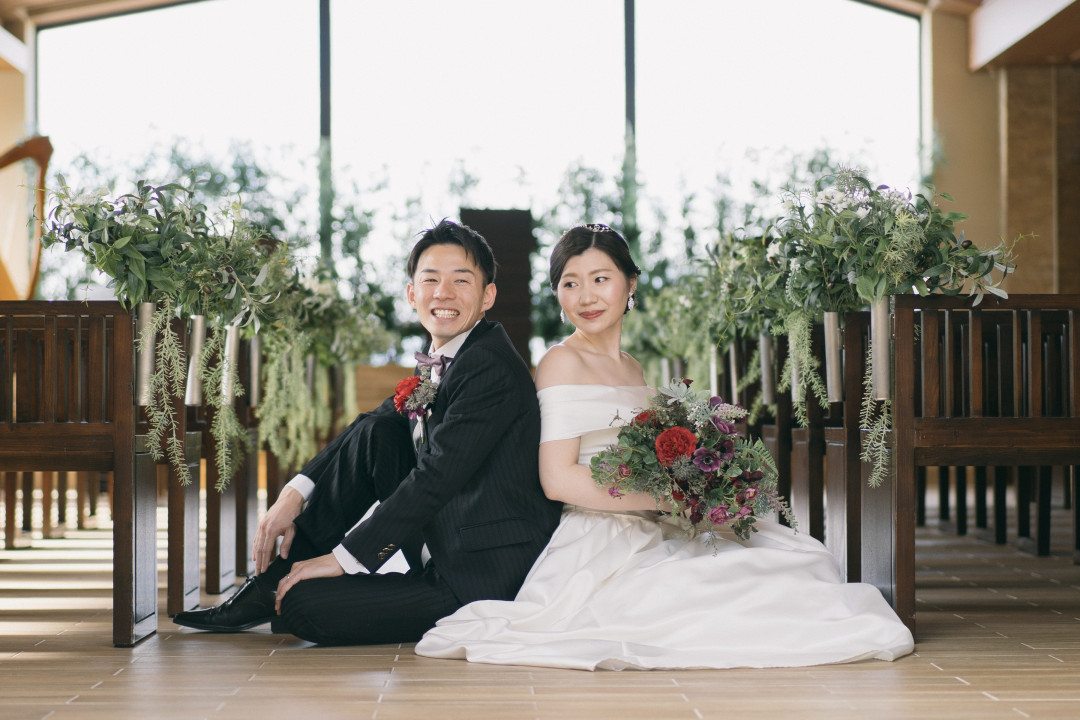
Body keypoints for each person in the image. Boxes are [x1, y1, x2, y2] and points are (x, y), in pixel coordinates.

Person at [415, 223, 915, 670]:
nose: (586, 295)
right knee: (729, 588)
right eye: (570, 283)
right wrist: (667, 499)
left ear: (630, 285)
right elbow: (558, 478)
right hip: (601, 535)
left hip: (657, 518)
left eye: (600, 278)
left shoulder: (632, 367)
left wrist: (698, 486)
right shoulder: (560, 363)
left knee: (790, 558)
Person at [173, 219, 563, 645]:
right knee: (376, 433)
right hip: (447, 538)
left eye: (461, 281)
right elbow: (371, 424)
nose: (443, 293)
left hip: (479, 573)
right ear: (412, 293)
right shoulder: (447, 355)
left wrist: (343, 559)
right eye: (430, 279)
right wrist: (295, 491)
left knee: (304, 606)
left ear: (488, 295)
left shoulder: (489, 365)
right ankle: (269, 586)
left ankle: (280, 588)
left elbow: (435, 477)